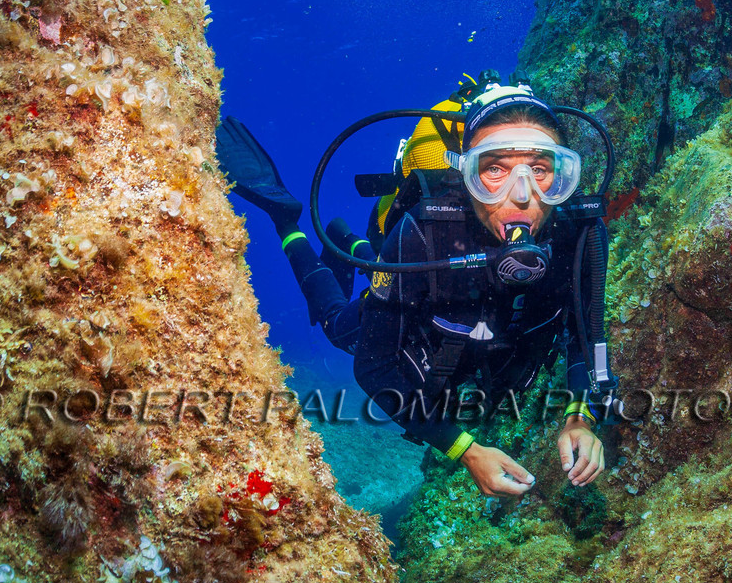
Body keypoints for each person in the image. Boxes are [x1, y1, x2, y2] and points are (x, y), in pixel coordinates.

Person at [216, 77, 608, 497]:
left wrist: (580, 417)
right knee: (336, 325)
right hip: (411, 309)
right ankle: (287, 221)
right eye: (495, 169)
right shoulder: (423, 232)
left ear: (563, 177)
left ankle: (357, 244)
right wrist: (466, 450)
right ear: (467, 174)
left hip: (476, 353)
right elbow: (373, 367)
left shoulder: (581, 235)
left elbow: (587, 339)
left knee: (388, 268)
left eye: (541, 170)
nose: (523, 196)